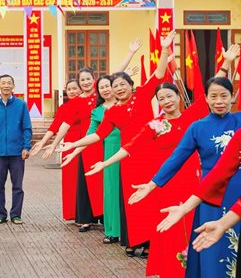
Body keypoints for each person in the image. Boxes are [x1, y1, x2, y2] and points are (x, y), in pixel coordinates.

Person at [59, 31, 173, 256]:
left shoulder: (142, 95)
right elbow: (97, 135)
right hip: (128, 159)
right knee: (131, 200)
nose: (119, 88)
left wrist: (164, 49)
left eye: (123, 84)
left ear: (131, 85)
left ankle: (151, 242)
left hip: (151, 156)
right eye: (116, 86)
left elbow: (159, 74)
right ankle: (134, 241)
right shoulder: (113, 112)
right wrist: (72, 145)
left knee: (152, 197)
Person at [85, 81, 209, 277]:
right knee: (171, 229)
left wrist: (225, 66)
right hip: (166, 185)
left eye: (170, 96)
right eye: (161, 98)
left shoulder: (191, 118)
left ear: (178, 97)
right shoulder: (155, 125)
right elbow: (130, 146)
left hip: (193, 184)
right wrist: (105, 163)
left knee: (195, 224)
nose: (166, 101)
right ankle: (172, 271)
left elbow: (210, 95)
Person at [133, 76, 241, 277]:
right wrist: (152, 184)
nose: (219, 101)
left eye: (224, 96)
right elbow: (176, 159)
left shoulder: (239, 121)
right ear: (206, 98)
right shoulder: (197, 128)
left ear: (231, 97)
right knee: (211, 246)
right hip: (210, 194)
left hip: (238, 189)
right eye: (213, 96)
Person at [34, 39, 141, 233]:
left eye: (88, 79)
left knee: (108, 180)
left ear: (94, 79)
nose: (85, 83)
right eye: (81, 80)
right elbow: (63, 124)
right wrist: (50, 143)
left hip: (108, 142)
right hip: (88, 143)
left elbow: (116, 75)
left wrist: (130, 52)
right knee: (89, 182)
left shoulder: (103, 94)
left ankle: (108, 217)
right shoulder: (76, 102)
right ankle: (87, 218)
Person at [63, 75, 122, 244]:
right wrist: (73, 150)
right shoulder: (98, 112)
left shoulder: (126, 105)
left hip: (131, 152)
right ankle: (113, 231)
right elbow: (93, 136)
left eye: (108, 86)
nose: (105, 90)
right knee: (111, 192)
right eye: (101, 87)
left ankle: (134, 235)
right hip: (110, 153)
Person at [31, 79, 82, 221]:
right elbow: (55, 126)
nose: (72, 91)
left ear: (80, 89)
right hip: (70, 144)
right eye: (69, 89)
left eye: (75, 88)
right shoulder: (64, 108)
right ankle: (73, 213)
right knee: (71, 180)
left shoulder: (89, 103)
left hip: (87, 142)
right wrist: (42, 142)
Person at [0, 74, 32, 224]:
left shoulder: (21, 105)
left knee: (17, 185)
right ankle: (1, 214)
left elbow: (26, 127)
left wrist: (26, 146)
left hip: (17, 152)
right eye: (3, 83)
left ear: (13, 86)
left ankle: (16, 214)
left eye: (9, 83)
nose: (6, 86)